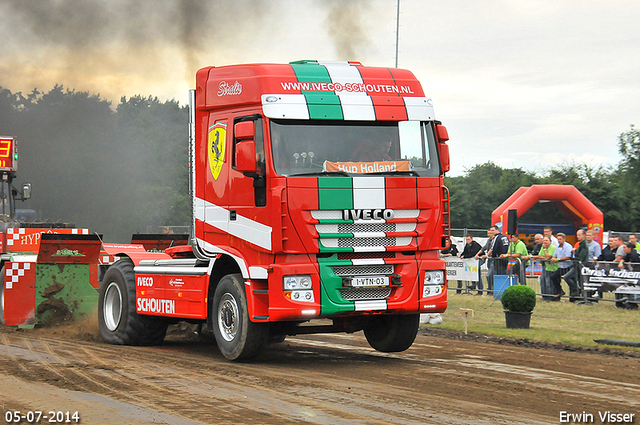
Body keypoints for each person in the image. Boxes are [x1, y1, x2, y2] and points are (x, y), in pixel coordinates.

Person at [564, 229, 589, 302]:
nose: (577, 236)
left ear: (584, 235)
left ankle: (578, 291)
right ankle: (579, 293)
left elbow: (581, 257)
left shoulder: (584, 245)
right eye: (577, 235)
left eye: (579, 235)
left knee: (567, 277)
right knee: (580, 282)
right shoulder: (580, 244)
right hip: (577, 266)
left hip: (579, 266)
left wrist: (574, 256)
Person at [531, 236, 558, 300]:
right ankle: (544, 296)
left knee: (549, 282)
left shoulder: (553, 247)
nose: (545, 242)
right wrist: (545, 258)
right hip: (546, 267)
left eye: (546, 240)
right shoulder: (542, 248)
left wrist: (545, 251)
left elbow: (549, 256)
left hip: (553, 268)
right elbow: (540, 256)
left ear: (550, 242)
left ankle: (551, 296)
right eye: (544, 241)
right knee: (543, 281)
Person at [486, 225, 509, 295]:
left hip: (499, 259)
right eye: (491, 231)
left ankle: (498, 291)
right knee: (503, 274)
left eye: (493, 230)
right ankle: (502, 290)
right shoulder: (505, 237)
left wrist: (493, 256)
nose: (492, 232)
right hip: (505, 258)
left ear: (497, 230)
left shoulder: (497, 237)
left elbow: (494, 248)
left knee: (498, 275)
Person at [550, 232, 573, 300]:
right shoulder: (557, 247)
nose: (559, 240)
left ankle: (572, 297)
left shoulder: (568, 246)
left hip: (568, 266)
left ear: (564, 239)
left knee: (569, 280)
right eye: (558, 239)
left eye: (560, 239)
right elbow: (554, 255)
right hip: (561, 267)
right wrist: (553, 258)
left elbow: (568, 257)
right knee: (553, 277)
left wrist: (558, 259)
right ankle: (559, 291)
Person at [474, 229, 494, 295]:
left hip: (494, 260)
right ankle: (489, 289)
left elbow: (492, 249)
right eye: (488, 233)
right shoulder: (488, 240)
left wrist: (486, 255)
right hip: (490, 260)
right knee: (489, 276)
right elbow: (484, 248)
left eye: (490, 233)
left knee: (489, 275)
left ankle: (491, 289)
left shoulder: (495, 240)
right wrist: (477, 254)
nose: (489, 235)